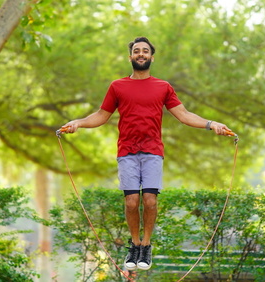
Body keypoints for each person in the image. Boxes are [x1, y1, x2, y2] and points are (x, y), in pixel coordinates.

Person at [59, 37, 233, 271]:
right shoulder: (117, 86)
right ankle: (134, 244)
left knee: (150, 200)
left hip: (152, 151)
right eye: (136, 51)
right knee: (132, 202)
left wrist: (211, 124)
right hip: (127, 152)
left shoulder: (163, 87)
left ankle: (146, 246)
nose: (141, 54)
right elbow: (101, 115)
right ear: (130, 57)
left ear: (151, 56)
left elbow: (183, 114)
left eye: (145, 51)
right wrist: (78, 123)